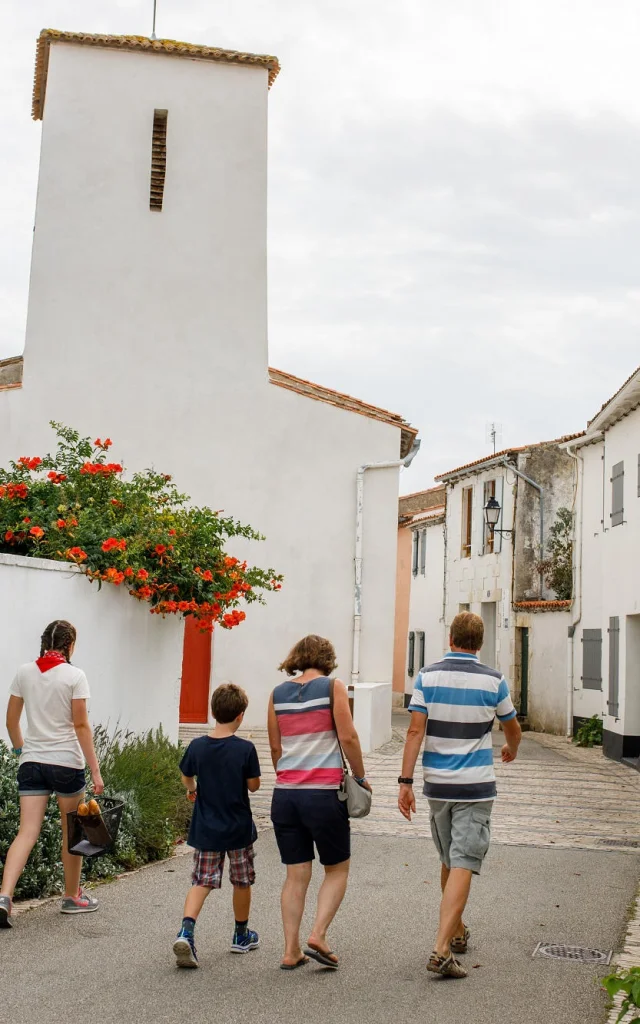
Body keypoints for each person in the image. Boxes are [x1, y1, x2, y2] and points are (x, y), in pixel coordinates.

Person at [398, 611, 522, 979]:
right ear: (479, 644)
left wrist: (405, 782)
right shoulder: (494, 681)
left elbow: (414, 732)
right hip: (475, 785)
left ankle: (457, 930)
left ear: (450, 638)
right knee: (464, 859)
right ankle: (440, 950)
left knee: (451, 860)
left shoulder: (426, 676)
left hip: (437, 785)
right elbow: (512, 727)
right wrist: (511, 748)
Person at [268, 635, 372, 971]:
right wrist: (359, 776)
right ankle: (318, 934)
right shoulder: (333, 687)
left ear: (296, 656)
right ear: (327, 658)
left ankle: (290, 950)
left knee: (295, 875)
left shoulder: (277, 694)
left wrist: (288, 777)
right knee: (337, 869)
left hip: (285, 796)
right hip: (323, 794)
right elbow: (348, 736)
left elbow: (275, 748)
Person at [0, 620, 104, 928]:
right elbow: (81, 726)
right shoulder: (75, 676)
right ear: (70, 645)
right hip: (67, 764)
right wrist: (95, 772)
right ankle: (72, 896)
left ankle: (4, 896)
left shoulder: (24, 672)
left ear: (45, 642)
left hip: (32, 764)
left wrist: (22, 752)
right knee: (72, 831)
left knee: (26, 832)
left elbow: (11, 722)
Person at [173, 682, 261, 969]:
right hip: (237, 828)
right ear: (241, 716)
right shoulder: (245, 749)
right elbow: (254, 786)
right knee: (242, 880)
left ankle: (186, 930)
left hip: (207, 828)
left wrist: (191, 788)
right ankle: (241, 934)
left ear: (213, 712)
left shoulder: (198, 746)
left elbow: (186, 775)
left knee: (202, 880)